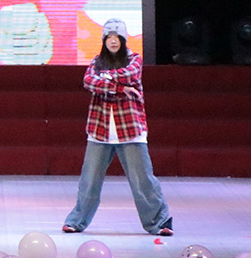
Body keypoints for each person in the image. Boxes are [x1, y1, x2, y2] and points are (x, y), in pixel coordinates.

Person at [62, 18, 173, 236]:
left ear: (123, 39)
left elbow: (129, 75)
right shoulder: (96, 62)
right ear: (104, 40)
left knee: (142, 181)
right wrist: (119, 88)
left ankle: (159, 222)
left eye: (117, 37)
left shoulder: (134, 59)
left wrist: (106, 79)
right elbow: (88, 81)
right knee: (89, 181)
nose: (113, 41)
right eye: (109, 37)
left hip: (130, 129)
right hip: (100, 130)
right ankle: (77, 221)